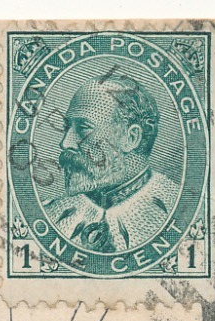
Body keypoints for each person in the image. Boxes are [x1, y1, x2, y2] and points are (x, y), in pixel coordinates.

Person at [44, 74, 179, 254]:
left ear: (131, 138)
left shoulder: (178, 210)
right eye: (67, 127)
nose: (66, 143)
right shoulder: (51, 214)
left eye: (83, 128)